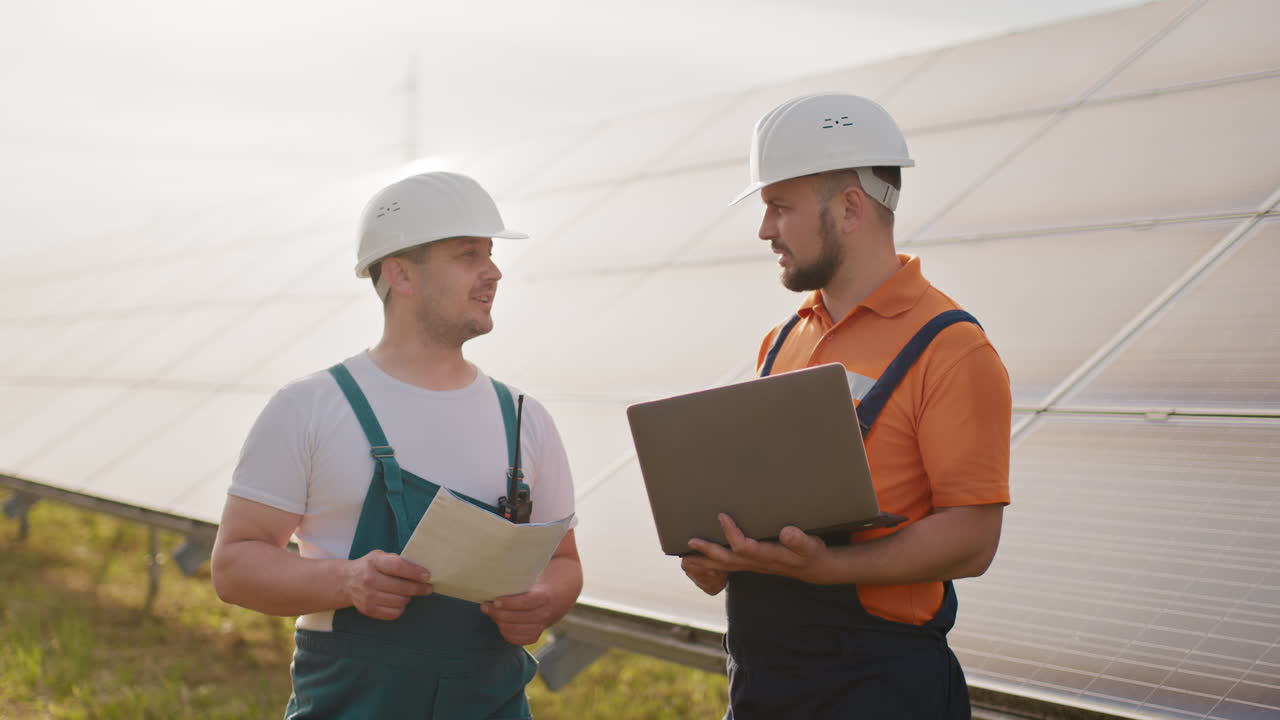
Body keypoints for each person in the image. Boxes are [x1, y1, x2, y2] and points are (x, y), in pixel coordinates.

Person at [680, 93, 1011, 719]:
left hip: (880, 689)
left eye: (780, 207)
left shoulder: (953, 349)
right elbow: (769, 502)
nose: (764, 229)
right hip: (761, 681)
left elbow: (973, 539)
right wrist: (728, 558)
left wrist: (829, 568)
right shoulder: (782, 340)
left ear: (851, 208)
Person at [211, 171, 581, 719]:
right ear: (400, 273)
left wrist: (544, 601)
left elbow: (564, 562)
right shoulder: (310, 408)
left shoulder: (524, 419)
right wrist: (347, 581)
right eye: (468, 254)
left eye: (491, 253)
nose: (493, 271)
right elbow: (234, 566)